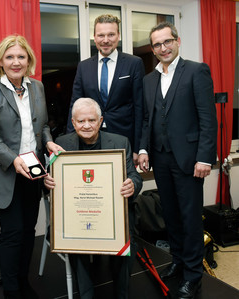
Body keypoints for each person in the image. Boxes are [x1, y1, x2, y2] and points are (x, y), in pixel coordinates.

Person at [0, 35, 63, 299]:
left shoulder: (38, 87)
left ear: (29, 60)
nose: (16, 62)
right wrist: (13, 159)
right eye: (10, 57)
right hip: (5, 171)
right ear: (0, 60)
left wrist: (49, 143)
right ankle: (11, 290)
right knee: (12, 232)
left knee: (29, 230)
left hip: (32, 171)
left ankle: (23, 283)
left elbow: (42, 125)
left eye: (21, 56)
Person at [138, 22, 217, 299]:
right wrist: (144, 150)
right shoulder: (149, 80)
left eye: (167, 41)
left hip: (190, 160)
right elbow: (148, 119)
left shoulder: (196, 71)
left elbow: (208, 119)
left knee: (190, 218)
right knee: (170, 216)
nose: (163, 48)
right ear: (153, 48)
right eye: (157, 44)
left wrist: (205, 158)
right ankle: (179, 262)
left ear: (177, 41)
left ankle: (194, 275)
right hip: (160, 158)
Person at [45, 97, 142, 299]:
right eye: (81, 121)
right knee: (73, 239)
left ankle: (121, 293)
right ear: (73, 123)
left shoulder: (119, 142)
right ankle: (86, 294)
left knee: (126, 235)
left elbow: (134, 175)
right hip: (76, 215)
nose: (86, 125)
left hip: (110, 214)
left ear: (100, 121)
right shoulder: (61, 144)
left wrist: (132, 184)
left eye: (91, 120)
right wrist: (47, 182)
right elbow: (49, 176)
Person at [67, 14, 145, 164]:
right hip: (89, 140)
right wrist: (70, 142)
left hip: (123, 139)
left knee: (122, 185)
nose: (106, 40)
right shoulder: (84, 67)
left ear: (118, 36)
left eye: (111, 34)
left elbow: (139, 108)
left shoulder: (134, 63)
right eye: (101, 35)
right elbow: (75, 105)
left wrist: (138, 148)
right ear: (94, 37)